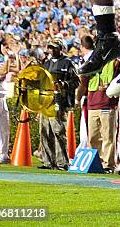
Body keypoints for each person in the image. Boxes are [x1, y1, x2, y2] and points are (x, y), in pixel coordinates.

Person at [39, 37, 79, 170]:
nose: (52, 50)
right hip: (46, 103)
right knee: (45, 132)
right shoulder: (46, 63)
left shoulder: (68, 63)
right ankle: (48, 162)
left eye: (55, 47)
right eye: (50, 47)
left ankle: (63, 162)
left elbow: (76, 81)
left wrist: (63, 84)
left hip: (59, 102)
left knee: (59, 132)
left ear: (61, 48)